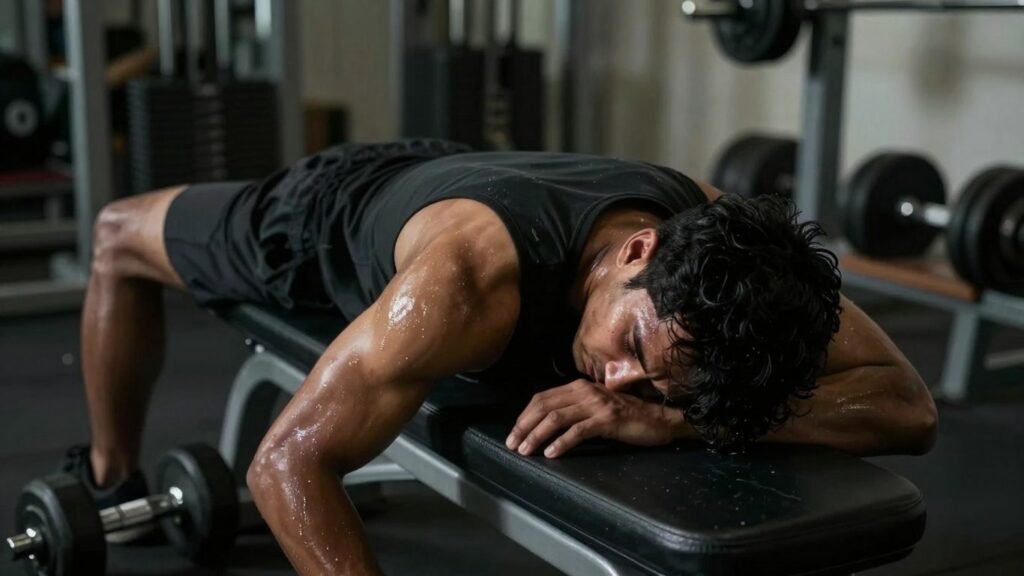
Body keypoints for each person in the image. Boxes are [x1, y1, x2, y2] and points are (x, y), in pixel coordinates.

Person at [63, 139, 936, 573]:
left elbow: (906, 405)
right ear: (637, 251)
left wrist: (667, 417)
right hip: (327, 215)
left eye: (667, 378)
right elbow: (285, 464)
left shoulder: (723, 255)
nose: (623, 378)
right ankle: (110, 476)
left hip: (469, 171)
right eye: (632, 347)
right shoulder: (461, 289)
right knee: (112, 236)